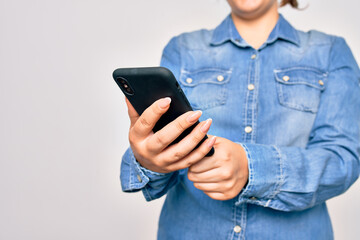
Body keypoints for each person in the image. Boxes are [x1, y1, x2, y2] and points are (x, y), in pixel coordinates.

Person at [120, 0, 360, 239]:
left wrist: (251, 167)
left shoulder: (330, 52)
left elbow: (343, 160)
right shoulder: (182, 49)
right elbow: (161, 160)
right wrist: (148, 159)